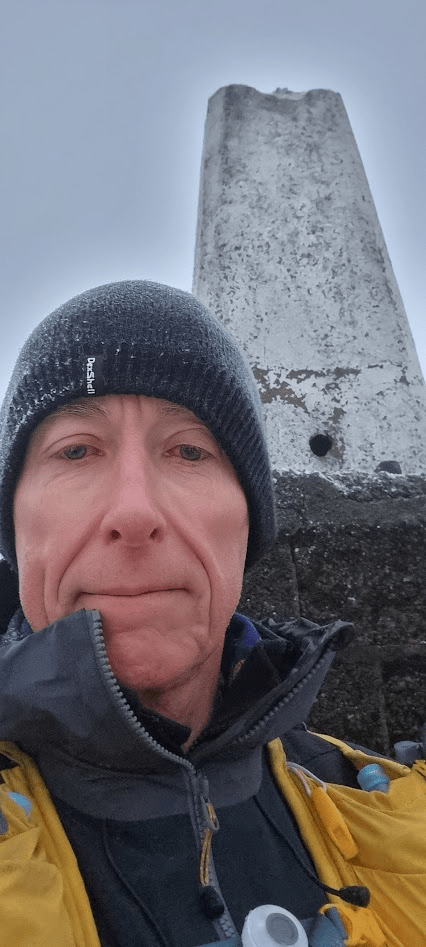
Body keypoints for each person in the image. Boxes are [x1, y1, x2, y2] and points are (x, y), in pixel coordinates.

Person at [0, 280, 424, 947]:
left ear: (248, 522)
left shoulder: (403, 818)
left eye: (190, 450)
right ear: (15, 528)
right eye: (76, 450)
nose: (134, 511)